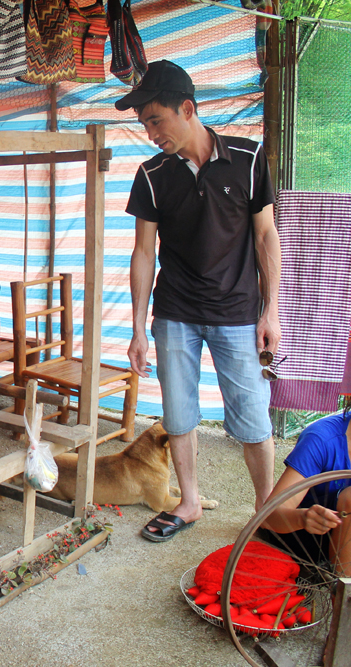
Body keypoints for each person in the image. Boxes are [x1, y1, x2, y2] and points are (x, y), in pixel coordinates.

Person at [120, 60, 282, 542]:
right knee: (179, 413)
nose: (150, 133)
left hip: (236, 312)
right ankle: (188, 503)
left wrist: (271, 309)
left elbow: (266, 235)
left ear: (187, 109)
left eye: (155, 120)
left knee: (251, 413)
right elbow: (144, 251)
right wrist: (135, 326)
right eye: (145, 123)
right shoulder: (152, 175)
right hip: (174, 313)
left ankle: (264, 507)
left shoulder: (249, 161)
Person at [260, 405, 350, 574]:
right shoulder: (321, 439)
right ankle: (343, 595)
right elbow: (268, 516)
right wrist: (303, 518)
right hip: (305, 536)